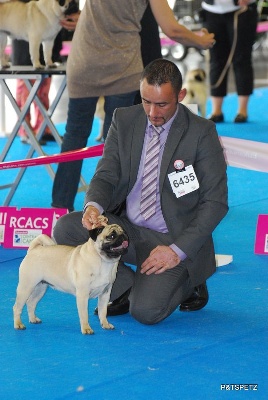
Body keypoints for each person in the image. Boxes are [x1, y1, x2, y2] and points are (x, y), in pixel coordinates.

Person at [53, 59, 228, 325]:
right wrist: (93, 207)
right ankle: (123, 284)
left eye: (162, 104)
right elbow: (107, 174)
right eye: (146, 101)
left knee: (146, 312)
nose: (152, 112)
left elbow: (215, 202)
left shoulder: (202, 132)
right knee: (66, 229)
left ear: (180, 96)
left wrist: (176, 250)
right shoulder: (124, 119)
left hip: (174, 237)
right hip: (127, 229)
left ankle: (190, 280)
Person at [51, 0, 216, 212]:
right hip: (122, 66)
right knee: (117, 145)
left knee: (74, 136)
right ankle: (110, 210)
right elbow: (171, 28)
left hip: (84, 61)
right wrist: (200, 41)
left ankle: (59, 207)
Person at [201, 0, 258, 123]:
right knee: (215, 59)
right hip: (212, 11)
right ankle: (216, 110)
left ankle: (242, 110)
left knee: (241, 59)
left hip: (242, 10)